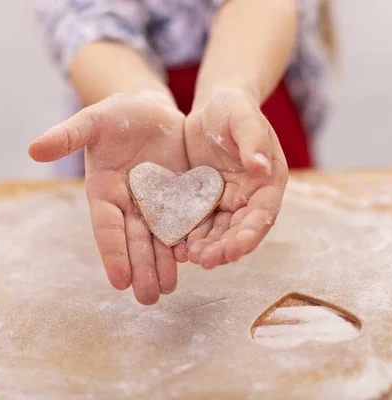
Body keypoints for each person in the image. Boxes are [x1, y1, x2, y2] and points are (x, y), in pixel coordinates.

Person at [29, 0, 333, 305]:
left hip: (242, 133)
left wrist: (228, 88)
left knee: (278, 276)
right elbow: (84, 17)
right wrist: (136, 93)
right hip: (122, 131)